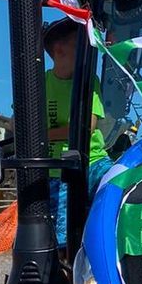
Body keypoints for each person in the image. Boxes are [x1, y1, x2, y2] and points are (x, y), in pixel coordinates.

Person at [44, 18, 113, 245]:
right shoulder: (40, 84)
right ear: (59, 50)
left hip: (94, 161)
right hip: (59, 169)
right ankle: (66, 263)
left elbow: (86, 127)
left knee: (118, 192)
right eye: (79, 45)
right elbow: (16, 125)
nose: (87, 51)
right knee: (64, 233)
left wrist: (45, 134)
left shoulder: (88, 81)